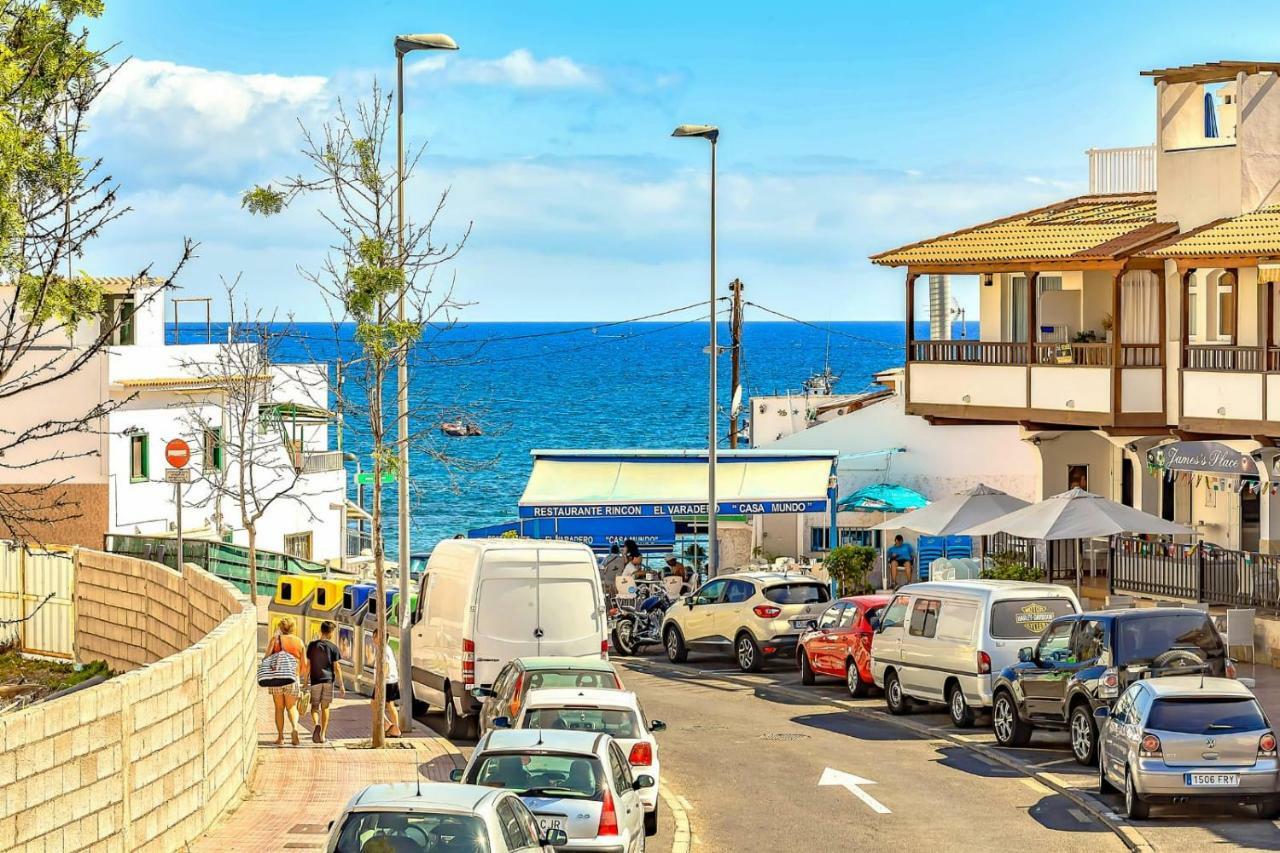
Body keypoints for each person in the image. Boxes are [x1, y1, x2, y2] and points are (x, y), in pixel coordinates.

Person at [266, 616, 308, 746]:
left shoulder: (275, 640)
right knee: (291, 707)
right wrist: (298, 676)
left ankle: (280, 737)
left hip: (277, 678)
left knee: (279, 708)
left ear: (280, 627)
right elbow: (304, 664)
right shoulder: (299, 642)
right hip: (292, 678)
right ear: (293, 628)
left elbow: (266, 658)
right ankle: (295, 728)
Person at [305, 620, 346, 743]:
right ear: (331, 633)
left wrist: (305, 681)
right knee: (325, 707)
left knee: (314, 707)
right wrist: (341, 685)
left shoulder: (312, 645)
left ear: (321, 630)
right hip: (328, 681)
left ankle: (316, 724)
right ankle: (323, 735)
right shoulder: (333, 648)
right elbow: (337, 667)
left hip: (315, 680)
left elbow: (309, 665)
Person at [371, 629, 402, 738]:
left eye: (374, 636)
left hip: (386, 681)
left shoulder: (383, 650)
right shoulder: (385, 648)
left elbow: (386, 666)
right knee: (388, 704)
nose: (373, 639)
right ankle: (393, 727)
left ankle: (392, 726)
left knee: (377, 703)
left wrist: (380, 682)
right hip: (390, 680)